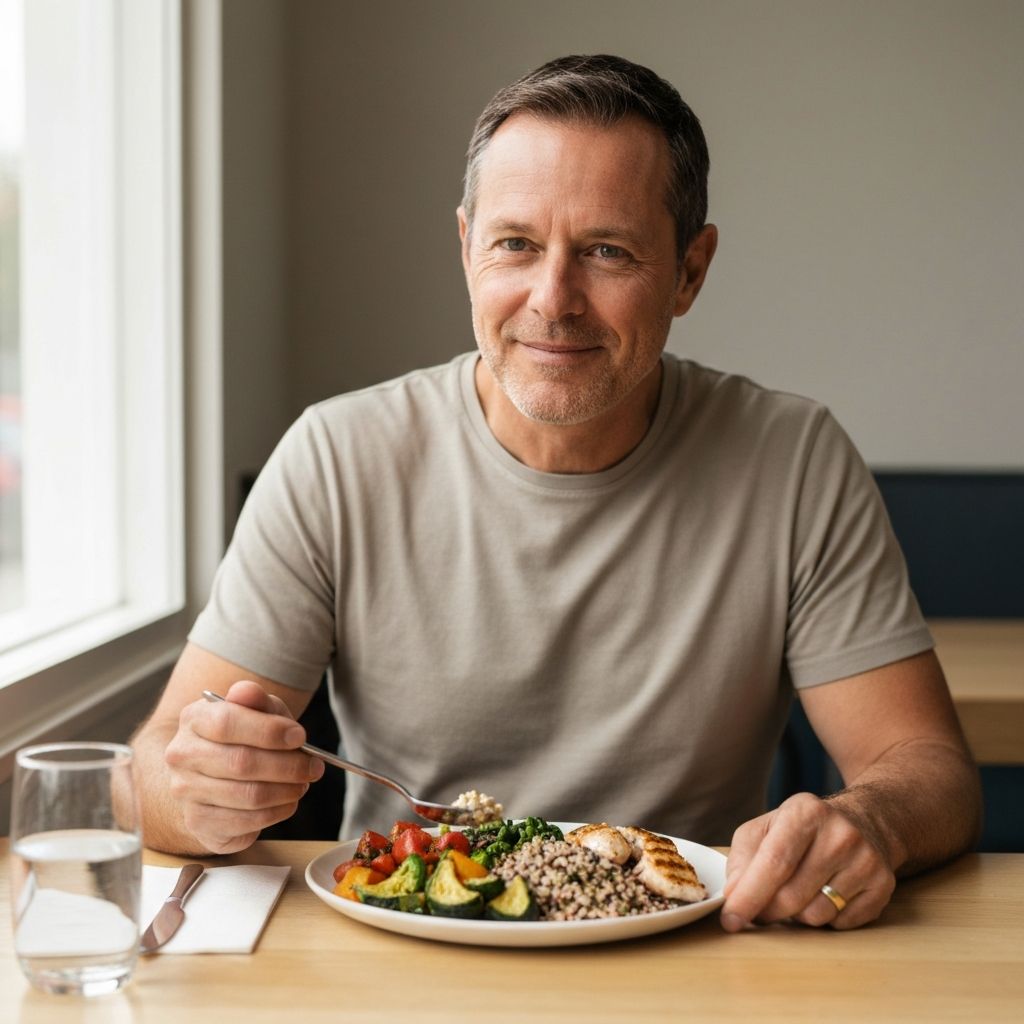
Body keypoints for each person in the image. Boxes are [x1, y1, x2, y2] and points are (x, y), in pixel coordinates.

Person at [131, 54, 981, 931]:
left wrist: (866, 820)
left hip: (692, 957)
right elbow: (148, 774)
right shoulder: (337, 455)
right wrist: (197, 789)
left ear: (690, 270)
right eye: (516, 245)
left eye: (607, 251)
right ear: (466, 247)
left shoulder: (792, 460)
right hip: (398, 962)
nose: (553, 299)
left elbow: (928, 768)